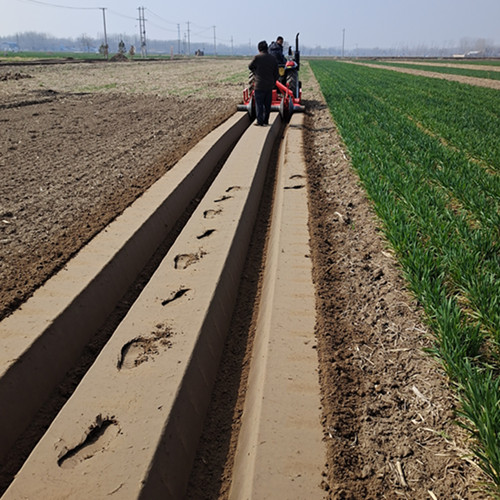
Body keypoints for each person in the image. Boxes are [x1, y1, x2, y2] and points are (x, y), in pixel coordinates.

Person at [248, 40, 279, 126]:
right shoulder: (273, 59)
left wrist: (256, 72)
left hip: (259, 85)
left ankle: (260, 121)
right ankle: (266, 121)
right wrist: (273, 82)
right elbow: (277, 74)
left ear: (259, 49)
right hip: (269, 86)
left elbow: (250, 66)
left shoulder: (257, 58)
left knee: (259, 104)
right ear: (267, 48)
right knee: (267, 105)